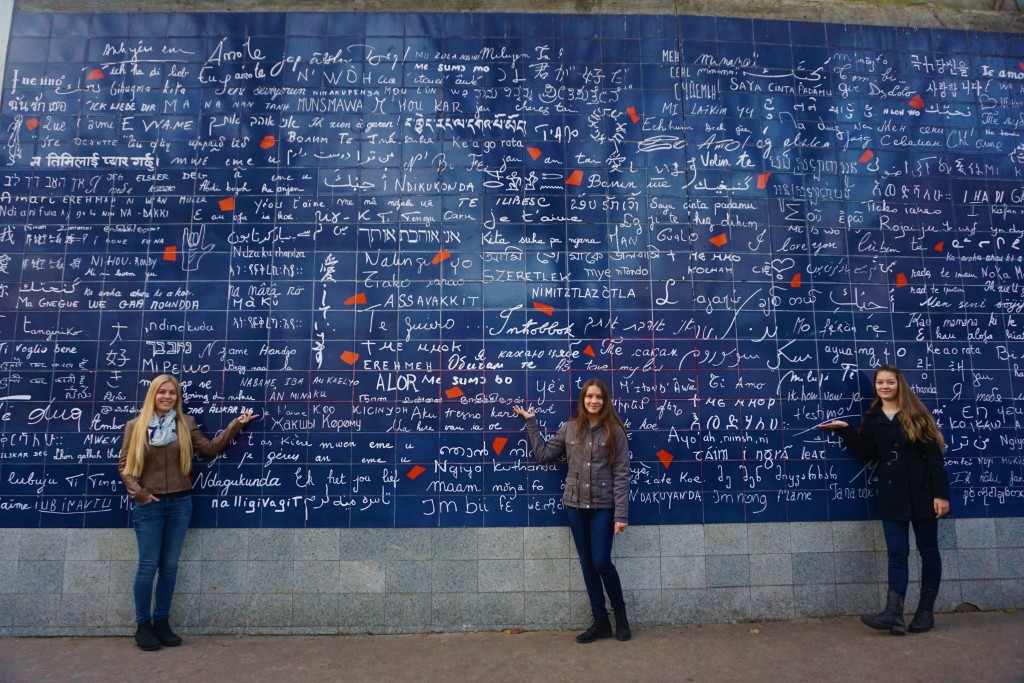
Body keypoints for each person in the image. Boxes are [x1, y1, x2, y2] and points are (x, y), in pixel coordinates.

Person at [118, 374, 258, 651]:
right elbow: (124, 466)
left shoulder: (185, 423)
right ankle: (142, 625)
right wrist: (141, 495)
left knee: (169, 567)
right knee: (148, 566)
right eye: (162, 392)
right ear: (153, 395)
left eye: (172, 393)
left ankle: (162, 621)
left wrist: (235, 424)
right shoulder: (135, 426)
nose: (167, 397)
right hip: (150, 506)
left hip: (181, 504)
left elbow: (209, 449)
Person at [820, 365, 949, 635]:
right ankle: (894, 614)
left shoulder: (917, 415)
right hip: (892, 497)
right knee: (897, 554)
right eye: (880, 382)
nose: (885, 386)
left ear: (899, 384)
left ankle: (925, 612)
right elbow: (868, 453)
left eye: (890, 382)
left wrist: (941, 495)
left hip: (924, 495)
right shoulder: (873, 418)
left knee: (928, 552)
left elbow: (935, 459)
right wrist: (845, 430)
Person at [512, 378, 631, 643]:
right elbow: (543, 455)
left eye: (599, 396)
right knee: (587, 563)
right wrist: (530, 422)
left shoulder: (615, 432)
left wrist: (621, 514)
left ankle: (621, 616)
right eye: (589, 396)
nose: (594, 401)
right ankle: (600, 620)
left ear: (605, 400)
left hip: (603, 506)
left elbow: (622, 474)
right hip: (575, 505)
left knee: (601, 561)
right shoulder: (569, 429)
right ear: (583, 399)